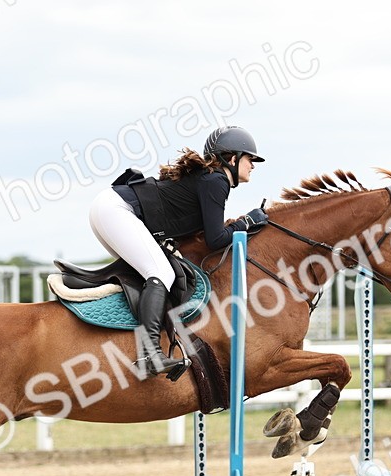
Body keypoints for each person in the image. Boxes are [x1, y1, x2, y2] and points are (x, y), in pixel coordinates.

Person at [88, 125, 270, 377]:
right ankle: (150, 354)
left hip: (110, 208)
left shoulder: (209, 179)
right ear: (232, 158)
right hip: (117, 211)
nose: (253, 165)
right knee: (161, 272)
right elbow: (216, 239)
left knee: (151, 272)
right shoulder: (217, 180)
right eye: (250, 159)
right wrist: (247, 222)